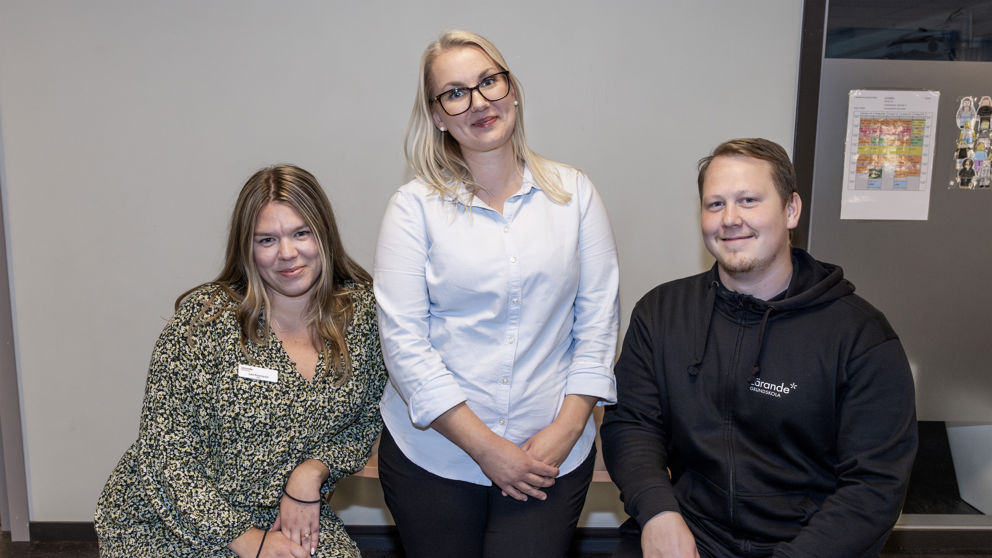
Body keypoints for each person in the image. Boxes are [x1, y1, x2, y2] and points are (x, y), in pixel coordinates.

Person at [601, 138, 918, 558]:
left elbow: (874, 486)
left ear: (791, 210)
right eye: (715, 205)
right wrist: (658, 513)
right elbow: (632, 425)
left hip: (809, 546)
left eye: (748, 200)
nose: (730, 219)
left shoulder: (860, 336)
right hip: (691, 533)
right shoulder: (661, 314)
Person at [373, 29, 620, 558]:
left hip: (548, 452)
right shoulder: (412, 209)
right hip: (436, 455)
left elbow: (598, 322)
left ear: (513, 90)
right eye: (456, 92)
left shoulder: (574, 194)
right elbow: (405, 347)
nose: (479, 102)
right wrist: (488, 450)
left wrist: (568, 427)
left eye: (490, 82)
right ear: (438, 114)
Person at [95, 165, 387, 558]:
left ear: (324, 235)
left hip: (279, 511)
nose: (287, 253)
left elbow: (368, 416)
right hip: (172, 517)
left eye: (301, 233)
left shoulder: (363, 316)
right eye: (267, 239)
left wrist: (313, 471)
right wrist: (249, 542)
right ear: (246, 248)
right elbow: (166, 453)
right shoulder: (204, 322)